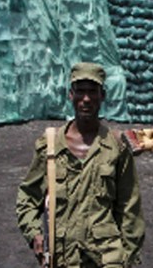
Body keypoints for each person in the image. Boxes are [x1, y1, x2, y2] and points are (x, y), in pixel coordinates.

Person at [16, 62, 145, 267]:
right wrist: (34, 235)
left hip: (106, 259)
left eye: (92, 92)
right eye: (80, 91)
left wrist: (127, 259)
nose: (86, 99)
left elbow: (130, 208)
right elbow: (28, 198)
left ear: (102, 96)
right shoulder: (50, 146)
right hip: (63, 258)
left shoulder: (117, 147)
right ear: (71, 95)